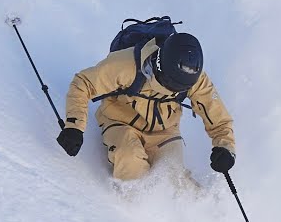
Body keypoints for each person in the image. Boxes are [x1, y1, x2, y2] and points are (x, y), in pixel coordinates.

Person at [55, 32, 235, 181]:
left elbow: (219, 118)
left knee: (173, 177)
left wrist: (225, 148)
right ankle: (133, 215)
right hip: (121, 122)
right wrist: (74, 126)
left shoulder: (195, 79)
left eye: (181, 89)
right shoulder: (126, 65)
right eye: (171, 86)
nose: (174, 92)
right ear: (161, 69)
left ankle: (197, 214)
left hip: (165, 131)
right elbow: (83, 83)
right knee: (131, 164)